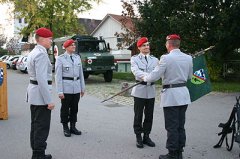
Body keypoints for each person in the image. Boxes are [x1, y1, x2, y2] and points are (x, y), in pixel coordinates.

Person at [143, 34, 193, 159]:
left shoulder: (165, 58)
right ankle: (179, 152)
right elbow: (189, 77)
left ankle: (172, 154)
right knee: (180, 125)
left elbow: (154, 75)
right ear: (178, 44)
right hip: (183, 94)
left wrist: (145, 77)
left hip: (171, 96)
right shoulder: (188, 58)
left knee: (172, 126)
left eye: (166, 43)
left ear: (168, 44)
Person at [26, 27, 55, 159]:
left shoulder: (34, 52)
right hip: (40, 95)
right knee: (41, 126)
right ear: (42, 39)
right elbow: (42, 80)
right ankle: (38, 155)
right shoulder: (41, 54)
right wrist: (49, 100)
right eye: (50, 39)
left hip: (34, 93)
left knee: (35, 125)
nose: (51, 41)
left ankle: (36, 153)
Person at [130, 37, 159, 148]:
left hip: (151, 91)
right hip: (139, 91)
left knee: (149, 115)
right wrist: (149, 77)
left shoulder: (155, 60)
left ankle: (146, 136)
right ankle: (138, 136)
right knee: (138, 115)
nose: (147, 47)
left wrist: (151, 77)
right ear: (139, 48)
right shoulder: (135, 59)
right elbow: (136, 71)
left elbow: (158, 72)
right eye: (144, 45)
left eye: (147, 45)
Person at [55, 39, 85, 137]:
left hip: (76, 87)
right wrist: (60, 91)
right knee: (65, 109)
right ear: (66, 47)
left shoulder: (77, 58)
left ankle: (73, 126)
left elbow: (81, 74)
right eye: (72, 45)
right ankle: (65, 127)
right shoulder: (60, 59)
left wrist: (82, 88)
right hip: (66, 88)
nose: (74, 46)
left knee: (74, 108)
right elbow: (58, 76)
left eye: (74, 45)